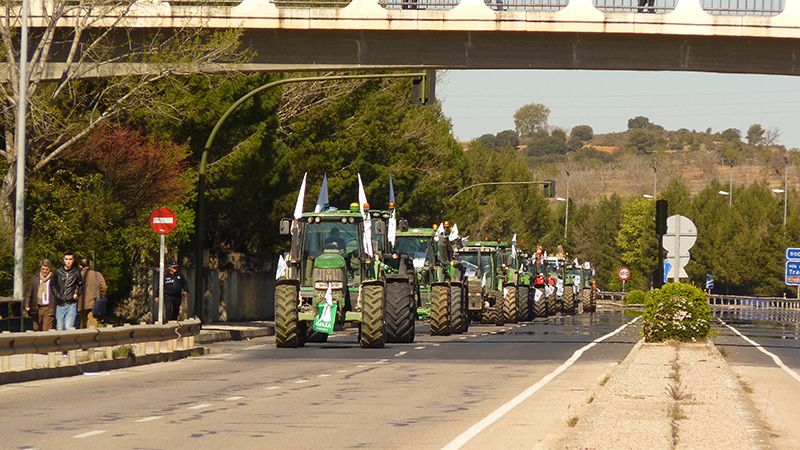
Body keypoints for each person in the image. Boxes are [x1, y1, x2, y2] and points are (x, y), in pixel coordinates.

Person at [51, 251, 83, 330]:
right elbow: (52, 285)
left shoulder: (76, 272)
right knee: (59, 328)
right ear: (63, 260)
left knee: (68, 327)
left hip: (71, 304)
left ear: (73, 260)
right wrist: (58, 295)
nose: (68, 261)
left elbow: (81, 285)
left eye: (70, 259)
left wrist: (76, 293)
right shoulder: (58, 272)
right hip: (60, 304)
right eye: (66, 259)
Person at [25, 259, 55, 332]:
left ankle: (46, 343)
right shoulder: (35, 279)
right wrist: (27, 305)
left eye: (46, 269)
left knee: (47, 329)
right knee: (36, 328)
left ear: (50, 269)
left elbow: (56, 294)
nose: (44, 271)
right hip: (37, 307)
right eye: (43, 269)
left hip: (48, 307)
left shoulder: (53, 279)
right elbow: (29, 293)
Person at [79, 258, 107, 328]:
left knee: (83, 325)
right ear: (89, 265)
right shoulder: (97, 274)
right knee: (92, 326)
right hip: (94, 304)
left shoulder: (78, 275)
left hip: (81, 304)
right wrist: (101, 296)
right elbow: (104, 287)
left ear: (80, 266)